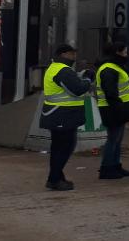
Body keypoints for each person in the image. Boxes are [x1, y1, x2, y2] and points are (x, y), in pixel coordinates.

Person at [41, 44, 92, 191]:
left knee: (58, 148)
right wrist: (88, 80)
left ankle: (57, 177)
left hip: (56, 114)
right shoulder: (63, 71)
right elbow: (77, 90)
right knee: (65, 148)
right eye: (72, 54)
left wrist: (80, 77)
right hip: (63, 115)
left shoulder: (55, 68)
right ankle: (54, 179)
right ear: (63, 54)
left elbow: (69, 84)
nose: (74, 57)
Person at [95, 42, 129, 180]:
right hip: (111, 109)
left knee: (117, 139)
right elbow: (110, 92)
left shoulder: (114, 67)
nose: (126, 55)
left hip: (116, 107)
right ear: (117, 52)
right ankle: (107, 168)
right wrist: (120, 108)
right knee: (113, 139)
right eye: (124, 52)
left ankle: (115, 165)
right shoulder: (109, 69)